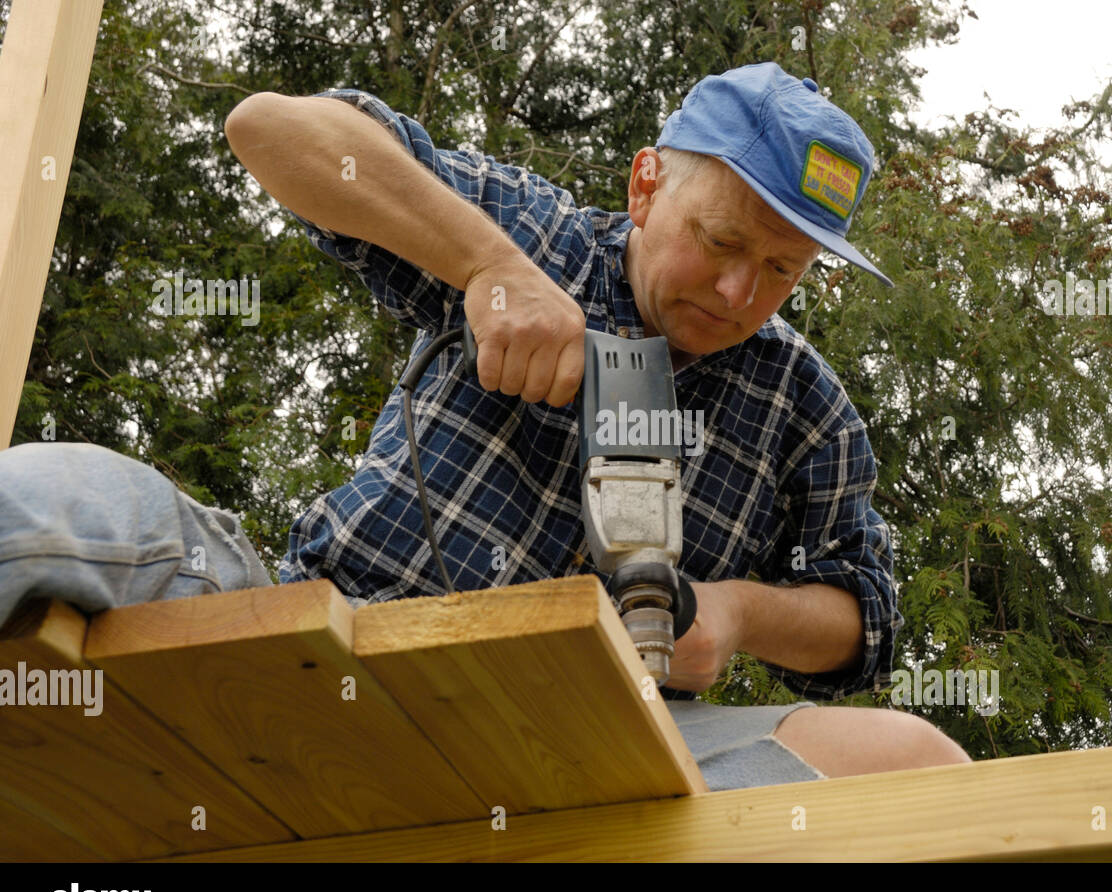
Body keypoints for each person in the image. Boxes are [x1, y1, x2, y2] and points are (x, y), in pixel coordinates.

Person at [0, 63, 970, 789]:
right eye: (719, 241)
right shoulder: (537, 236)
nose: (737, 290)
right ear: (644, 187)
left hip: (610, 745)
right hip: (329, 640)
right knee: (56, 496)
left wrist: (736, 611)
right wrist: (486, 267)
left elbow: (866, 618)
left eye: (781, 268)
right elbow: (273, 130)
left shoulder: (806, 406)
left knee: (913, 761)